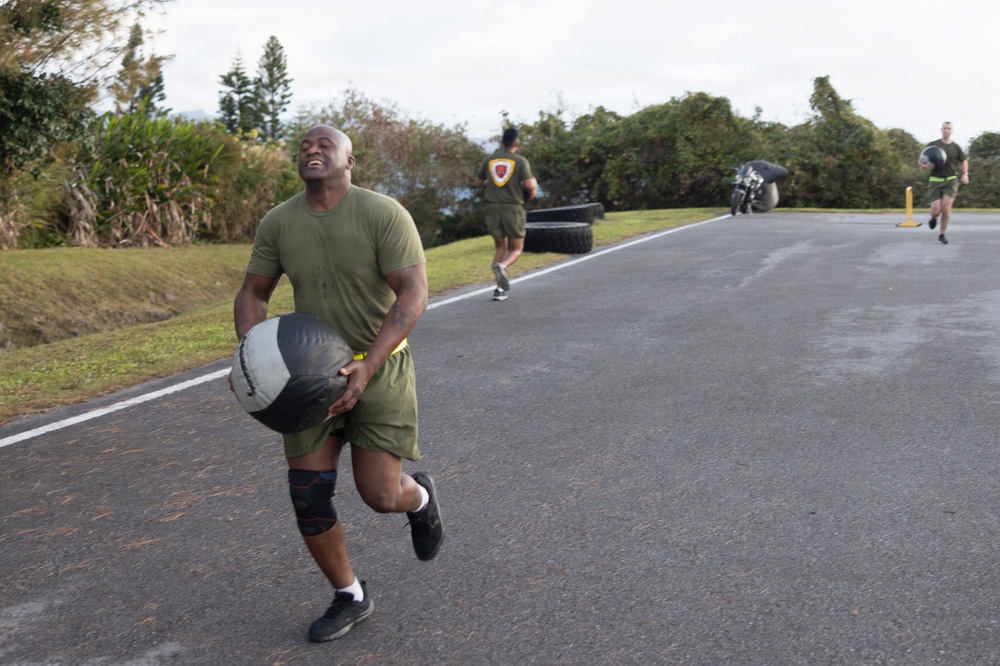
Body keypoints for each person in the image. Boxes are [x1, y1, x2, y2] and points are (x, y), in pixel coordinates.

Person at [232, 125, 443, 643]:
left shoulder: (382, 213)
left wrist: (368, 365)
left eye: (325, 144)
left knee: (378, 494)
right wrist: (252, 350)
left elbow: (413, 293)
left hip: (380, 365)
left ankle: (418, 499)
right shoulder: (279, 222)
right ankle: (350, 594)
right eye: (304, 145)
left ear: (351, 161)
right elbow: (253, 292)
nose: (312, 149)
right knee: (308, 494)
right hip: (308, 378)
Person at [473, 127, 538, 301]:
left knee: (500, 246)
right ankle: (502, 266)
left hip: (492, 208)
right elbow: (530, 185)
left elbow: (478, 183)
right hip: (513, 208)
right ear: (517, 143)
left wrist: (492, 186)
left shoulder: (490, 159)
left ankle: (499, 290)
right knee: (516, 248)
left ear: (502, 142)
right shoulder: (520, 161)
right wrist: (531, 193)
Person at [919, 121, 969, 244]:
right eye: (944, 128)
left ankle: (942, 234)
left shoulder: (955, 147)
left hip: (951, 180)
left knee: (946, 208)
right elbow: (921, 161)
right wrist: (924, 167)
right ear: (941, 130)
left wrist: (965, 174)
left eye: (949, 128)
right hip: (935, 181)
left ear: (952, 131)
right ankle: (934, 217)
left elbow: (964, 161)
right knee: (936, 211)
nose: (946, 130)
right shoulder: (933, 145)